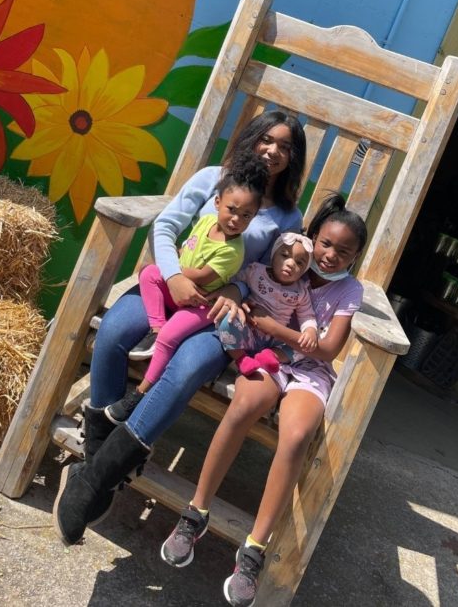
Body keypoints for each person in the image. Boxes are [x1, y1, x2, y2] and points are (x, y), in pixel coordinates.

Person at [52, 110, 307, 547]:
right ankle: (103, 472)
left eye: (287, 147)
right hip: (170, 287)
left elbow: (274, 275)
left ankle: (91, 481)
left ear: (294, 159)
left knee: (187, 367)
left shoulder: (287, 216)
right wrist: (172, 276)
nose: (274, 152)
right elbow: (167, 225)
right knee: (114, 331)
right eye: (269, 139)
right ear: (252, 138)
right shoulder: (213, 177)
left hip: (221, 311)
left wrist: (236, 291)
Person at [160, 193, 367, 607]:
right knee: (243, 406)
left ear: (355, 256)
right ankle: (195, 513)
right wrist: (239, 297)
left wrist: (278, 327)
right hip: (265, 354)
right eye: (325, 244)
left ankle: (254, 547)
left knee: (295, 438)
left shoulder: (350, 290)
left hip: (309, 370)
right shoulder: (289, 256)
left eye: (344, 251)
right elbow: (245, 277)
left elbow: (326, 350)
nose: (329, 256)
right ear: (313, 237)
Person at [104, 152, 269, 424]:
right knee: (148, 273)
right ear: (217, 203)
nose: (236, 219)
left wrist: (175, 272)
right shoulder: (205, 222)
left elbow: (203, 276)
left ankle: (140, 392)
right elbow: (185, 246)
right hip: (180, 288)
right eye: (231, 210)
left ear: (252, 219)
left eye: (246, 216)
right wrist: (173, 269)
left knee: (171, 337)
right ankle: (154, 329)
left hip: (201, 302)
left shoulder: (232, 249)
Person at [217, 231, 317, 378]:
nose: (290, 263)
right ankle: (241, 359)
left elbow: (307, 315)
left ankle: (269, 357)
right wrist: (239, 301)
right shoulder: (255, 271)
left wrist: (310, 331)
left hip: (275, 341)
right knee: (227, 321)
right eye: (284, 255)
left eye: (299, 262)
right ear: (273, 256)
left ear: (304, 270)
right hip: (247, 330)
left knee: (303, 348)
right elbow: (234, 283)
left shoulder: (301, 292)